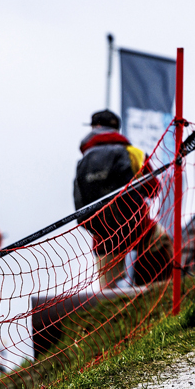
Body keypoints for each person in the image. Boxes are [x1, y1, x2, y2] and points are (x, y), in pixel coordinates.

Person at [74, 109, 173, 288]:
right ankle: (160, 295)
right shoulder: (133, 153)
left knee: (109, 299)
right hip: (138, 228)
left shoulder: (83, 162)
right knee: (162, 247)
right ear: (116, 130)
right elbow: (154, 189)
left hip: (103, 237)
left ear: (94, 128)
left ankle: (112, 307)